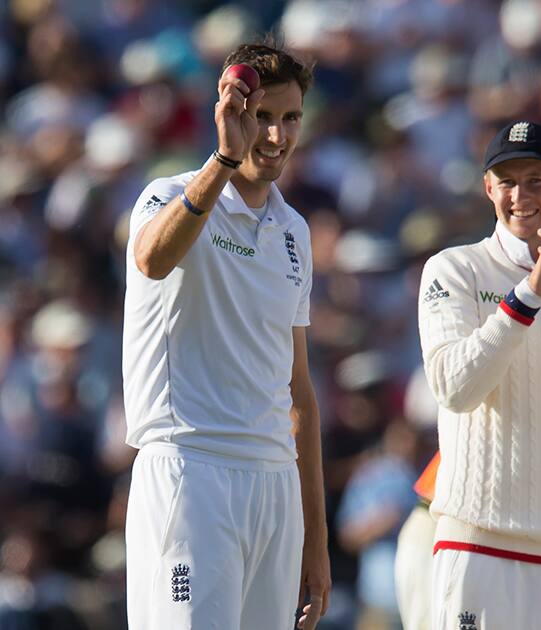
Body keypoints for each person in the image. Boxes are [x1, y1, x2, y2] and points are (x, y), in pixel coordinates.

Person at [122, 41, 331, 630]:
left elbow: (299, 396)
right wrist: (222, 159)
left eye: (289, 118)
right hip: (190, 471)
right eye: (262, 117)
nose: (276, 136)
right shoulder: (167, 194)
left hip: (274, 487)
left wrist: (315, 540)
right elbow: (152, 260)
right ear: (231, 112)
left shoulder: (294, 230)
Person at [418, 122, 541, 629]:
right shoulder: (455, 269)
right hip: (483, 540)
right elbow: (456, 388)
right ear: (488, 189)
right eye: (508, 182)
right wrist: (531, 291)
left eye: (536, 181)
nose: (521, 196)